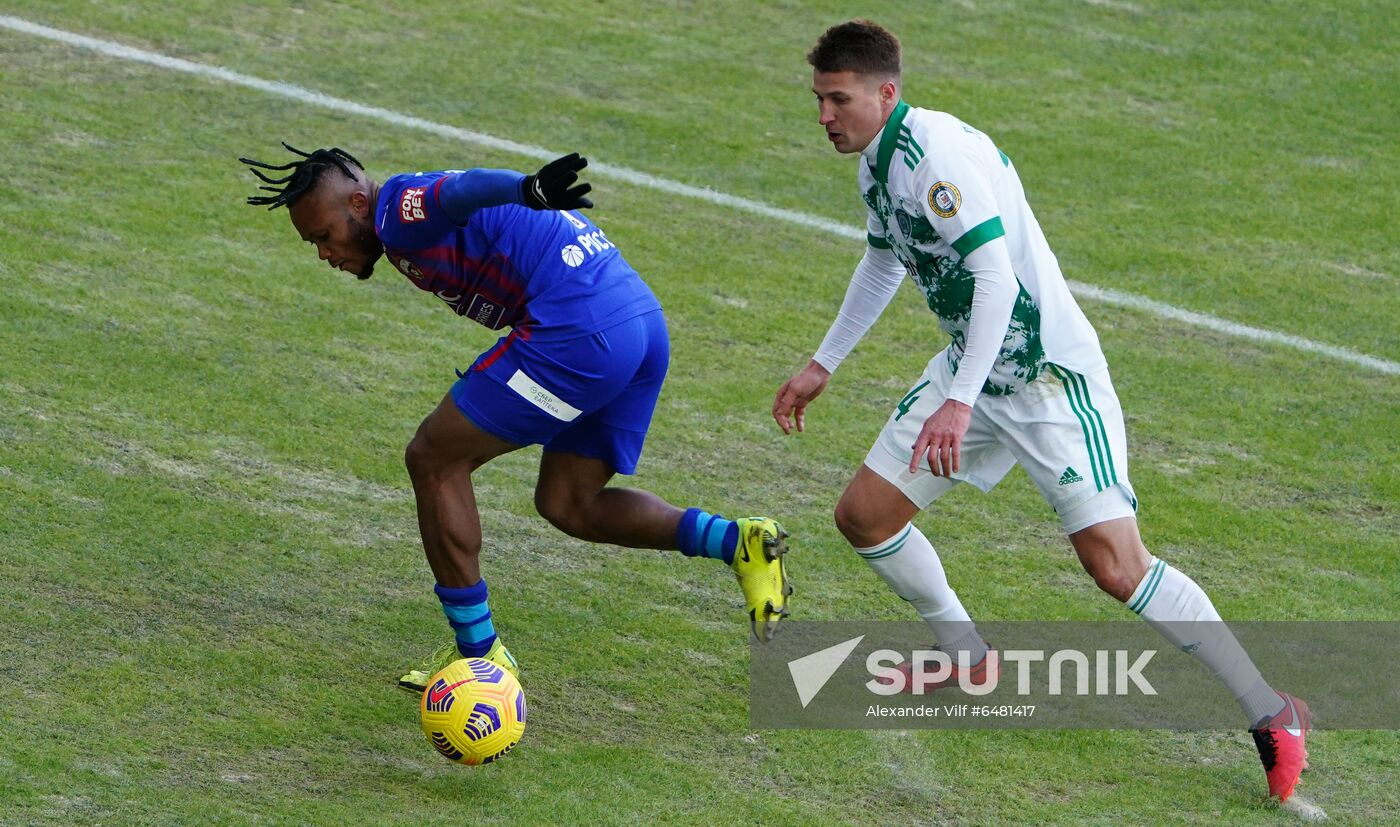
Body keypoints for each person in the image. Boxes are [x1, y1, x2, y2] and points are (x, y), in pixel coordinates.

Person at [771, 20, 1308, 803]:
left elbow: (995, 281)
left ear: (886, 94)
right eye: (819, 99)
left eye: (837, 99)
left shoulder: (937, 162)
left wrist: (954, 405)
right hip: (975, 372)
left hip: (1048, 379)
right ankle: (966, 654)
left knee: (1116, 566)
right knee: (863, 515)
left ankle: (1272, 709)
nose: (824, 115)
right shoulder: (877, 169)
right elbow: (883, 261)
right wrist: (825, 362)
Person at [239, 144, 793, 690]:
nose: (322, 253)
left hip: (578, 332)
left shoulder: (396, 211)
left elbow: (461, 190)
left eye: (322, 236)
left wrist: (524, 188)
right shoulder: (398, 215)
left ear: (357, 205)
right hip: (641, 326)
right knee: (568, 503)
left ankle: (481, 660)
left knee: (433, 459)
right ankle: (738, 542)